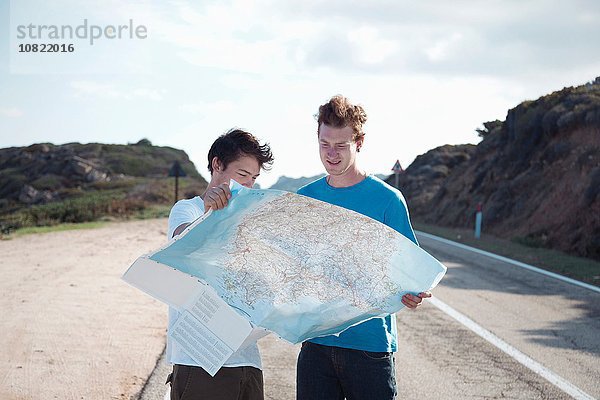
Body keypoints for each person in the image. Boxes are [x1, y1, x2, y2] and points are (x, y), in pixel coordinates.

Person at [295, 95, 430, 400]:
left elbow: (410, 271)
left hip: (369, 349)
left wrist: (413, 292)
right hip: (316, 344)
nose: (331, 153)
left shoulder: (387, 200)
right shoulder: (304, 199)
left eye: (341, 145)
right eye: (324, 143)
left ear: (359, 142)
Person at [165, 128, 274, 400]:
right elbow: (181, 245)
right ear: (217, 165)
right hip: (200, 360)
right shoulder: (188, 209)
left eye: (253, 179)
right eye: (242, 175)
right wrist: (210, 215)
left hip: (247, 358)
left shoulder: (249, 223)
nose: (247, 186)